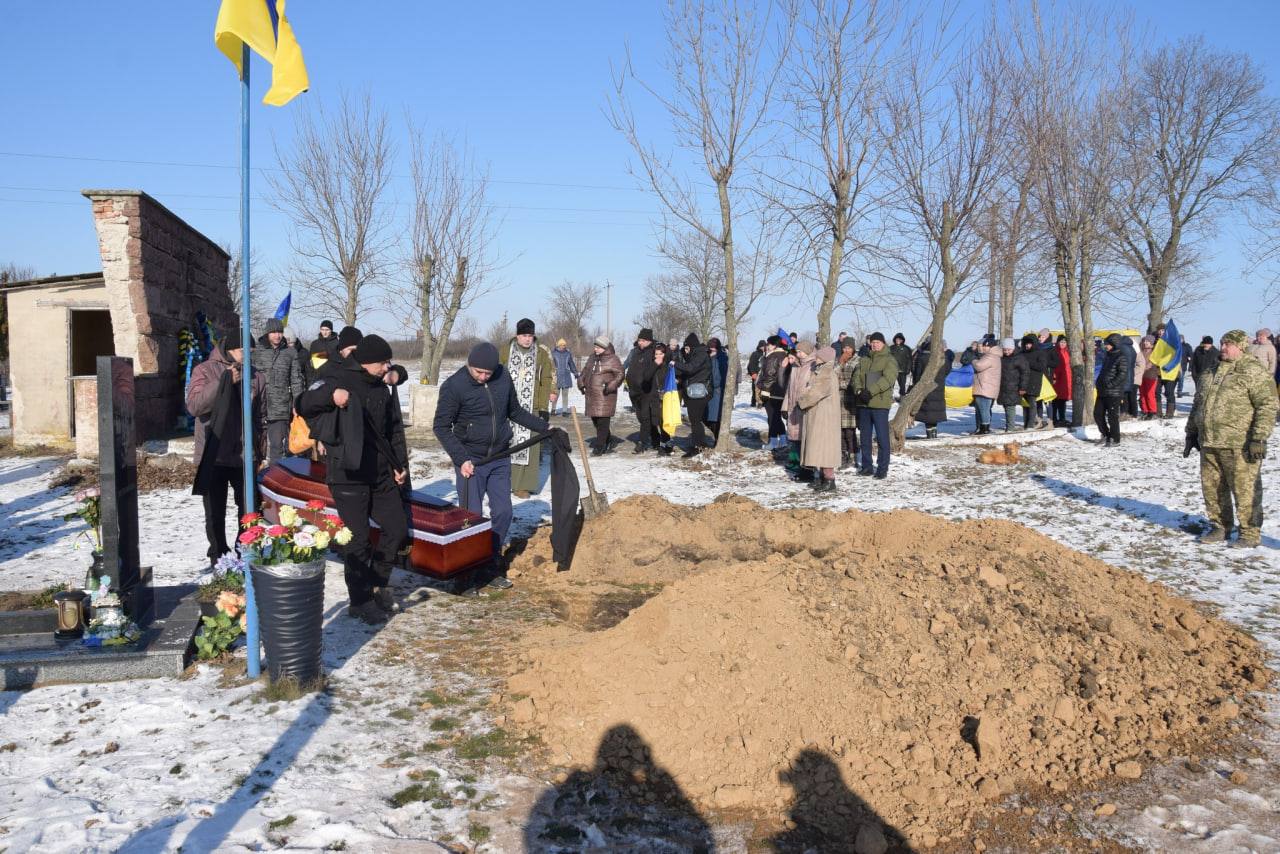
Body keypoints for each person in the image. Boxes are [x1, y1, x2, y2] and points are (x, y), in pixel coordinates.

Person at [296, 334, 409, 624]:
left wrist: (399, 464)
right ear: (368, 362)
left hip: (382, 470)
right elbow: (304, 402)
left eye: (387, 363)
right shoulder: (336, 375)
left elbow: (392, 429)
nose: (387, 367)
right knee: (358, 539)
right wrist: (331, 397)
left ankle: (378, 584)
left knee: (396, 529)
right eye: (383, 363)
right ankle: (359, 601)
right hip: (347, 472)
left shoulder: (382, 385)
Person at [433, 342, 551, 591]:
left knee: (504, 513)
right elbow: (441, 427)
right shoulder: (454, 386)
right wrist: (461, 458)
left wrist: (544, 427)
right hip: (471, 461)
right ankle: (464, 575)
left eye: (488, 373)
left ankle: (488, 564)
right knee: (471, 518)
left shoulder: (503, 377)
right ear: (469, 364)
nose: (483, 376)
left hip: (499, 458)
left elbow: (515, 411)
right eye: (478, 372)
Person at [1185, 329, 1277, 549]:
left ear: (1241, 347)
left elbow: (1268, 405)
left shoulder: (1253, 371)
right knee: (1213, 489)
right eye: (1222, 343)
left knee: (1245, 491)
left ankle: (1249, 533)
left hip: (1240, 444)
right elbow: (1199, 404)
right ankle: (1220, 527)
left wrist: (1259, 438)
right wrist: (1191, 433)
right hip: (1210, 442)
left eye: (1228, 344)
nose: (1223, 347)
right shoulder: (1211, 371)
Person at [188, 328, 265, 569]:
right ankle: (219, 556)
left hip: (244, 455)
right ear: (230, 349)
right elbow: (194, 407)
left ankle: (245, 552)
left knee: (250, 509)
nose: (248, 354)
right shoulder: (205, 370)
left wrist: (260, 453)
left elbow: (260, 417)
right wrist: (222, 385)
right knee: (214, 513)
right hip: (214, 453)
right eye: (244, 349)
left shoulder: (257, 376)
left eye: (251, 350)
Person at [500, 318, 556, 499]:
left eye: (530, 335)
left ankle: (522, 485)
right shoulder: (504, 352)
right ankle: (503, 481)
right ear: (517, 335)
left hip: (530, 407)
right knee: (506, 443)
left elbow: (546, 379)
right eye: (524, 335)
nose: (527, 339)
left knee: (528, 447)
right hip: (506, 407)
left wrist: (543, 407)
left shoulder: (540, 354)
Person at [253, 317, 305, 467]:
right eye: (274, 332)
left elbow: (296, 380)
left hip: (280, 406)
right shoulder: (256, 351)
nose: (277, 335)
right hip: (258, 405)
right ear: (268, 333)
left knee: (277, 446)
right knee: (256, 445)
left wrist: (297, 403)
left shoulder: (290, 352)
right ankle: (257, 477)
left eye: (280, 332)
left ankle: (275, 476)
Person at [850, 332, 896, 479]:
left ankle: (882, 468)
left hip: (879, 404)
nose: (875, 344)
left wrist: (871, 391)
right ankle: (867, 466)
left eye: (878, 342)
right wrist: (858, 390)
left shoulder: (889, 360)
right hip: (863, 404)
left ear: (883, 344)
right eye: (873, 342)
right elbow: (855, 377)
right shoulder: (864, 359)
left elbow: (888, 379)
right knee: (864, 438)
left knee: (882, 438)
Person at [798, 347, 841, 492]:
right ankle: (822, 478)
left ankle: (829, 479)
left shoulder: (826, 374)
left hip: (825, 417)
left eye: (818, 356)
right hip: (821, 415)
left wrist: (802, 402)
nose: (815, 358)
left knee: (826, 448)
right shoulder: (822, 371)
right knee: (821, 448)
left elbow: (815, 393)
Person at [577, 335, 624, 455]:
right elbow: (585, 371)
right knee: (596, 421)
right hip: (592, 395)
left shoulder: (613, 359)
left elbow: (620, 374)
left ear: (605, 348)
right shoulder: (592, 357)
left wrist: (611, 385)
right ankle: (610, 441)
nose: (596, 350)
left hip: (605, 395)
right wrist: (581, 382)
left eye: (598, 347)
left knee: (603, 422)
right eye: (595, 347)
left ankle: (598, 447)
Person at [675, 333, 713, 458]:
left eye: (687, 349)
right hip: (694, 392)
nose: (685, 351)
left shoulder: (701, 355)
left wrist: (676, 364)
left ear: (692, 347)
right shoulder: (695, 355)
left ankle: (696, 447)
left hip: (700, 392)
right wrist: (680, 380)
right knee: (695, 420)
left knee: (695, 420)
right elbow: (689, 374)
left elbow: (691, 369)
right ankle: (702, 443)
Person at [782, 342, 816, 479]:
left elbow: (813, 388)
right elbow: (789, 388)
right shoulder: (796, 366)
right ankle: (797, 464)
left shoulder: (812, 366)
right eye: (797, 352)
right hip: (792, 407)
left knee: (805, 439)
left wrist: (806, 403)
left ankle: (807, 468)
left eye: (800, 352)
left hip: (805, 408)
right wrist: (785, 406)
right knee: (795, 438)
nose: (798, 354)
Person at [1094, 332, 1131, 447]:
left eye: (1108, 344)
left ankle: (1115, 438)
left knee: (1112, 416)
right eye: (1106, 344)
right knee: (1098, 414)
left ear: (1114, 344)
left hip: (1114, 392)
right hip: (1102, 391)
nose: (1106, 346)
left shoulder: (1121, 357)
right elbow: (1103, 373)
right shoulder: (1107, 357)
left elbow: (1122, 374)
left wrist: (1111, 385)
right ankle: (1106, 434)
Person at [757, 336, 789, 449]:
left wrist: (765, 392)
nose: (767, 346)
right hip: (782, 391)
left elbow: (769, 376)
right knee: (777, 416)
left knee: (772, 417)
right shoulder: (785, 355)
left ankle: (773, 441)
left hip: (772, 391)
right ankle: (784, 439)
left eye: (769, 344)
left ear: (775, 345)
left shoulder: (773, 357)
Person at [624, 329, 657, 439]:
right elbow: (628, 366)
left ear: (649, 341)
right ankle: (656, 438)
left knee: (645, 417)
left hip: (647, 391)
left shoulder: (653, 352)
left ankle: (641, 443)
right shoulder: (635, 352)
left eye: (642, 340)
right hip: (634, 390)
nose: (640, 342)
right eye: (639, 340)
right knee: (640, 417)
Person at [644, 343, 676, 455]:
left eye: (660, 354)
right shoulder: (651, 364)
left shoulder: (668, 366)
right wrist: (654, 365)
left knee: (664, 421)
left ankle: (664, 445)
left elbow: (677, 377)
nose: (658, 356)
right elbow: (646, 377)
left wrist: (677, 381)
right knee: (656, 421)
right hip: (654, 397)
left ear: (665, 354)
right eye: (656, 354)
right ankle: (665, 443)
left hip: (666, 397)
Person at [997, 337, 1029, 432]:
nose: (1007, 352)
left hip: (1014, 386)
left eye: (1009, 350)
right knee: (1006, 406)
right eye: (1005, 350)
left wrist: (1023, 387)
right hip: (1004, 385)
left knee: (1010, 406)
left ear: (1013, 349)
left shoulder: (1020, 358)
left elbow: (1025, 373)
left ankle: (1010, 427)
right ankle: (1009, 425)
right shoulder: (1002, 358)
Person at [971, 334, 1001, 435]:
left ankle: (984, 429)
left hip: (984, 388)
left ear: (990, 347)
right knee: (984, 409)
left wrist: (974, 361)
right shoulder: (995, 356)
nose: (983, 348)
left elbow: (979, 366)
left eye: (985, 346)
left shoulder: (990, 356)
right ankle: (984, 428)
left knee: (983, 409)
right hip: (988, 387)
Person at [704, 337, 731, 446]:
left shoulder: (722, 358)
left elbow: (720, 375)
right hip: (706, 391)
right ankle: (717, 437)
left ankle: (717, 440)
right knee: (704, 417)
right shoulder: (706, 357)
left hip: (717, 391)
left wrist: (713, 384)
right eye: (710, 347)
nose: (712, 349)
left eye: (714, 347)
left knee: (715, 419)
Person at [836, 339, 860, 463]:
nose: (846, 350)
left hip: (851, 398)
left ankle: (853, 453)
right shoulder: (839, 360)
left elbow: (855, 380)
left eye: (849, 348)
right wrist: (840, 363)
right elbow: (833, 375)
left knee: (850, 430)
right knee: (839, 429)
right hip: (838, 398)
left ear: (853, 348)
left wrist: (841, 383)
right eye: (844, 348)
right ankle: (843, 452)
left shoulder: (857, 361)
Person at [551, 338, 579, 417]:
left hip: (566, 377)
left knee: (565, 395)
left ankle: (564, 411)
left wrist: (575, 373)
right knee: (556, 394)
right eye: (561, 345)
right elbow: (550, 366)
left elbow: (571, 364)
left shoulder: (568, 354)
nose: (562, 346)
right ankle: (553, 410)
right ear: (558, 345)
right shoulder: (553, 354)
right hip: (556, 377)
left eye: (564, 345)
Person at [1050, 335, 1073, 425]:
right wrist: (1054, 376)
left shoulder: (1067, 352)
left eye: (1064, 342)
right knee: (1056, 400)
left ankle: (1062, 418)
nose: (1062, 344)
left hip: (1065, 379)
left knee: (1063, 400)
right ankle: (1054, 418)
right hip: (1057, 379)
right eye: (1061, 342)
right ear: (1058, 343)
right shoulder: (1055, 351)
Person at [1139, 336, 1160, 420]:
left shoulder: (1154, 352)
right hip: (1141, 376)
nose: (1145, 343)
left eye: (1147, 341)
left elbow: (1152, 363)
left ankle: (1152, 411)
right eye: (1145, 341)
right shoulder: (1141, 351)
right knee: (1142, 394)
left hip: (1151, 375)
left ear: (1151, 343)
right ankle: (1145, 411)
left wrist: (1142, 368)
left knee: (1149, 394)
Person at [889, 333, 913, 398]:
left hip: (902, 370)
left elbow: (909, 360)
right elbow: (887, 359)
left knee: (902, 385)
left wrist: (908, 369)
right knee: (890, 385)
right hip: (892, 370)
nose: (898, 340)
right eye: (897, 339)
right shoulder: (891, 348)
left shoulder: (906, 348)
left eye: (899, 339)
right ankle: (889, 397)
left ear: (902, 340)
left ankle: (902, 397)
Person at [746, 339, 766, 408]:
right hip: (756, 374)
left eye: (764, 346)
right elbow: (751, 364)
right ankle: (753, 403)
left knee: (761, 390)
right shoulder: (755, 354)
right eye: (762, 346)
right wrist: (753, 373)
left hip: (763, 375)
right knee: (755, 390)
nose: (763, 347)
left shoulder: (766, 354)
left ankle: (761, 402)